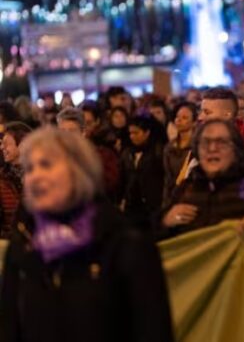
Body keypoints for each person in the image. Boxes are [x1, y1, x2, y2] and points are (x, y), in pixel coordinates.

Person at [0, 127, 174, 342]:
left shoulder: (127, 244)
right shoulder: (23, 245)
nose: (35, 176)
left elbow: (152, 330)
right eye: (29, 168)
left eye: (46, 165)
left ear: (79, 171)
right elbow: (10, 329)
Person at [159, 119, 244, 336]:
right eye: (205, 143)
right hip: (199, 305)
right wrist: (165, 222)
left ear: (236, 149)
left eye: (221, 142)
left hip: (243, 303)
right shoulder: (186, 190)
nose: (212, 148)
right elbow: (159, 245)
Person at [197, 87, 244, 180]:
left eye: (207, 112)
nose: (200, 117)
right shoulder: (199, 144)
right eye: (201, 111)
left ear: (227, 115)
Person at [57, 108, 122, 203]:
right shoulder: (53, 158)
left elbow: (108, 185)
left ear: (83, 132)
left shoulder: (102, 155)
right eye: (62, 131)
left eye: (72, 131)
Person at [120, 115, 166, 230]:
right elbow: (123, 178)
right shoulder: (127, 153)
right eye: (130, 133)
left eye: (136, 133)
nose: (132, 136)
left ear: (147, 133)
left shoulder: (158, 152)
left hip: (152, 205)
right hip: (131, 205)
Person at [0, 122, 32, 238]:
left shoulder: (39, 177)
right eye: (1, 143)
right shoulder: (2, 179)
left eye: (7, 144)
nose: (1, 147)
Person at [163, 102, 197, 205]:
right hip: (174, 196)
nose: (179, 120)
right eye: (177, 117)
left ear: (194, 122)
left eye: (184, 117)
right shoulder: (169, 147)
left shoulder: (197, 146)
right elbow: (168, 178)